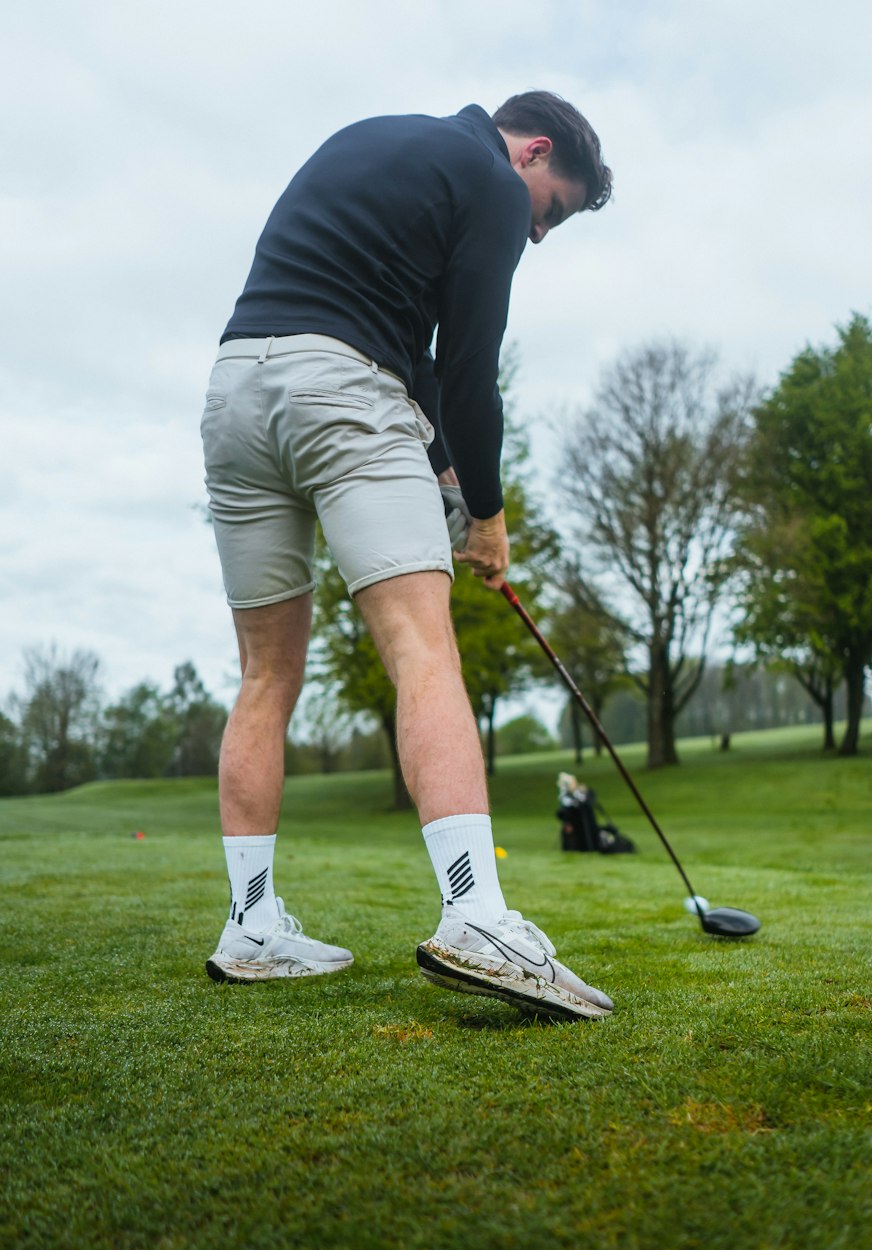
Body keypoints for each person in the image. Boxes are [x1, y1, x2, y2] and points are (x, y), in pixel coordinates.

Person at [200, 93, 614, 1020]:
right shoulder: (494, 185)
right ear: (534, 151)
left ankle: (252, 926)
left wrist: (446, 480)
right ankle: (478, 916)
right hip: (344, 391)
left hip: (236, 392)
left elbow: (415, 356)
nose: (536, 232)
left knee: (265, 674)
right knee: (422, 648)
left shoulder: (375, 138)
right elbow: (470, 368)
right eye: (551, 209)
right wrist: (492, 519)